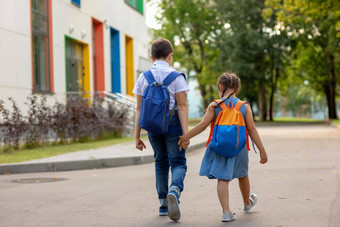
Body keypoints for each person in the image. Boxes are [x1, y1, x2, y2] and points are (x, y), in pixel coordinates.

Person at [178, 72, 268, 222]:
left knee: (223, 178)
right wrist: (262, 151)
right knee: (243, 175)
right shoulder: (244, 106)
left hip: (219, 147)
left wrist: (186, 137)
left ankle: (226, 212)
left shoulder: (214, 105)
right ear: (237, 89)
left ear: (220, 86)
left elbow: (202, 125)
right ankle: (247, 203)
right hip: (240, 148)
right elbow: (252, 129)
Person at [133, 38, 190, 222]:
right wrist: (185, 134)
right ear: (170, 56)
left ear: (152, 57)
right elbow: (182, 106)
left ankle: (163, 203)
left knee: (160, 162)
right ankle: (174, 190)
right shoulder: (177, 77)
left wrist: (137, 136)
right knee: (178, 162)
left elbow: (139, 109)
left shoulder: (143, 77)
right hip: (173, 124)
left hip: (152, 126)